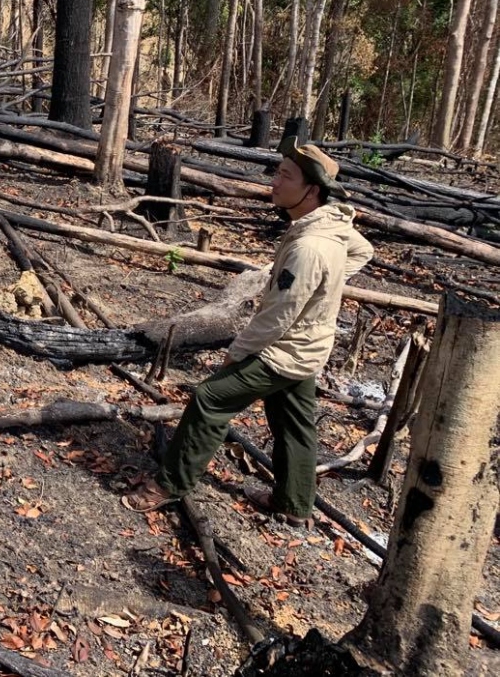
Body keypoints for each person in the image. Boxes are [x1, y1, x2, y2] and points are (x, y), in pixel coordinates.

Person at [121, 137, 374, 526]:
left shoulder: (310, 247)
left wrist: (237, 352)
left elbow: (277, 318)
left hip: (285, 351)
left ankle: (170, 484)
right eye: (277, 172)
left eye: (285, 176)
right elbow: (362, 252)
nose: (274, 182)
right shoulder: (330, 225)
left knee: (209, 399)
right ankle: (293, 505)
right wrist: (328, 285)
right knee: (294, 423)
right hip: (310, 346)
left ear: (312, 190)